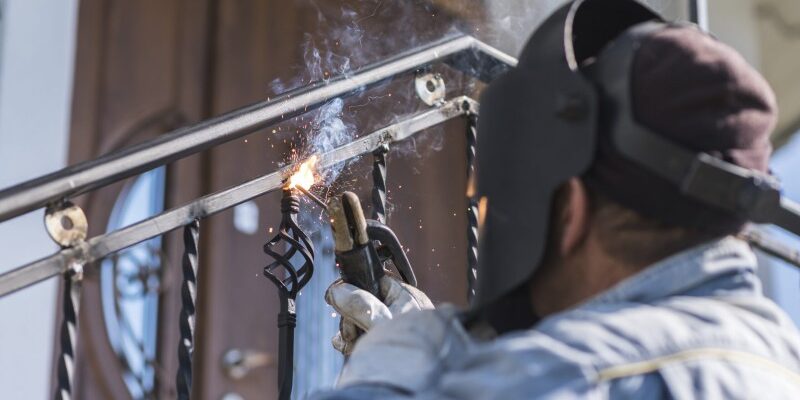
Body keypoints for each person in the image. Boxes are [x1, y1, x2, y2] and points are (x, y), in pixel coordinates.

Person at [315, 0, 800, 398]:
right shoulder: (783, 367)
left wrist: (388, 380)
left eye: (490, 213)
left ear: (569, 210)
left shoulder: (574, 379)